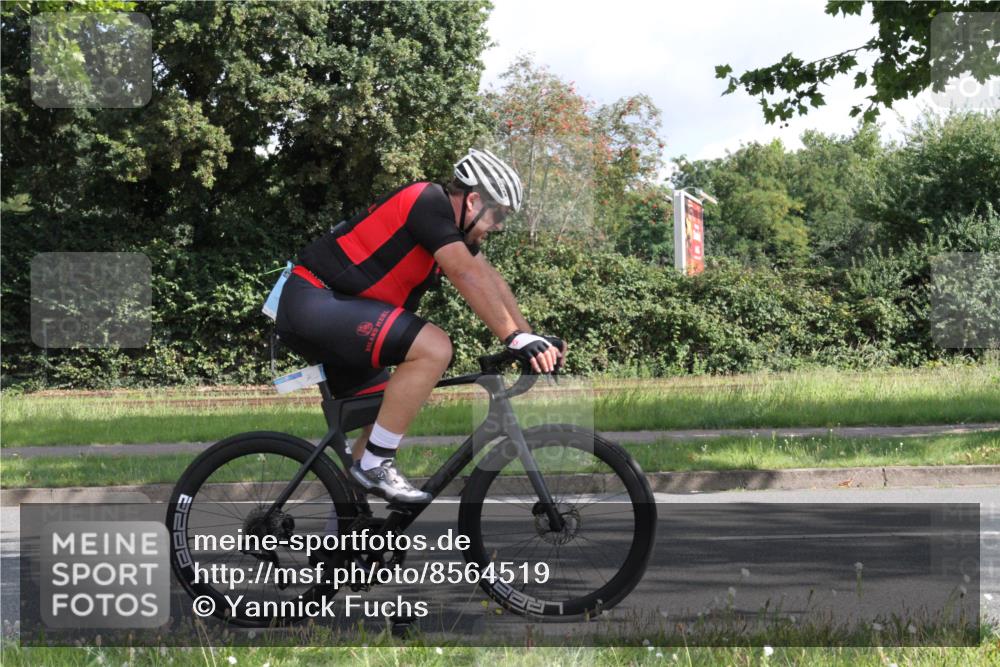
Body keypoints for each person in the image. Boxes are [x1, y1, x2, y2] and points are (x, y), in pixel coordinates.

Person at [275, 149, 566, 503]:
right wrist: (514, 337)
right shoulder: (427, 200)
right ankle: (376, 466)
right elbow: (466, 274)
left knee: (380, 426)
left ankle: (349, 541)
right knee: (434, 347)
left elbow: (490, 280)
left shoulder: (449, 230)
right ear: (473, 201)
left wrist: (528, 336)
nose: (500, 225)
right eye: (499, 214)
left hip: (338, 313)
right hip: (313, 300)